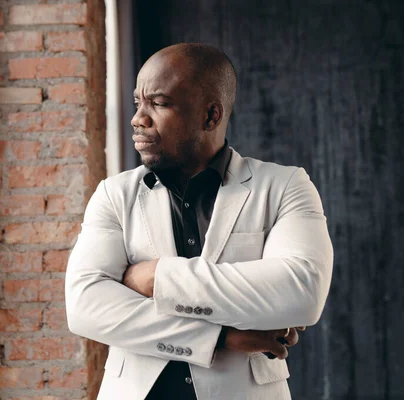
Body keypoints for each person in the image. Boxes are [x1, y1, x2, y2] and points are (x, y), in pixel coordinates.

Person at [65, 43, 333, 400]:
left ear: (210, 116)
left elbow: (302, 292)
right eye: (137, 103)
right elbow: (86, 307)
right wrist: (219, 337)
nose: (137, 118)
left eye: (158, 103)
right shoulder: (114, 195)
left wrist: (155, 277)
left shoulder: (284, 186)